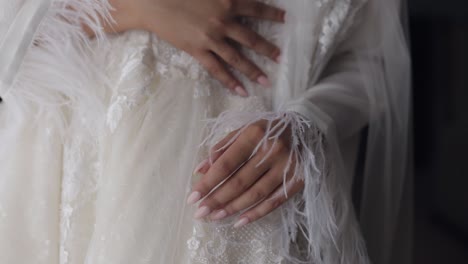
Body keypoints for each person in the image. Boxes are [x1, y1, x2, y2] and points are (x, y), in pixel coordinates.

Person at [0, 0, 411, 263]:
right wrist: (136, 8)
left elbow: (375, 58)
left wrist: (311, 121)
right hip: (71, 166)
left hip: (244, 173)